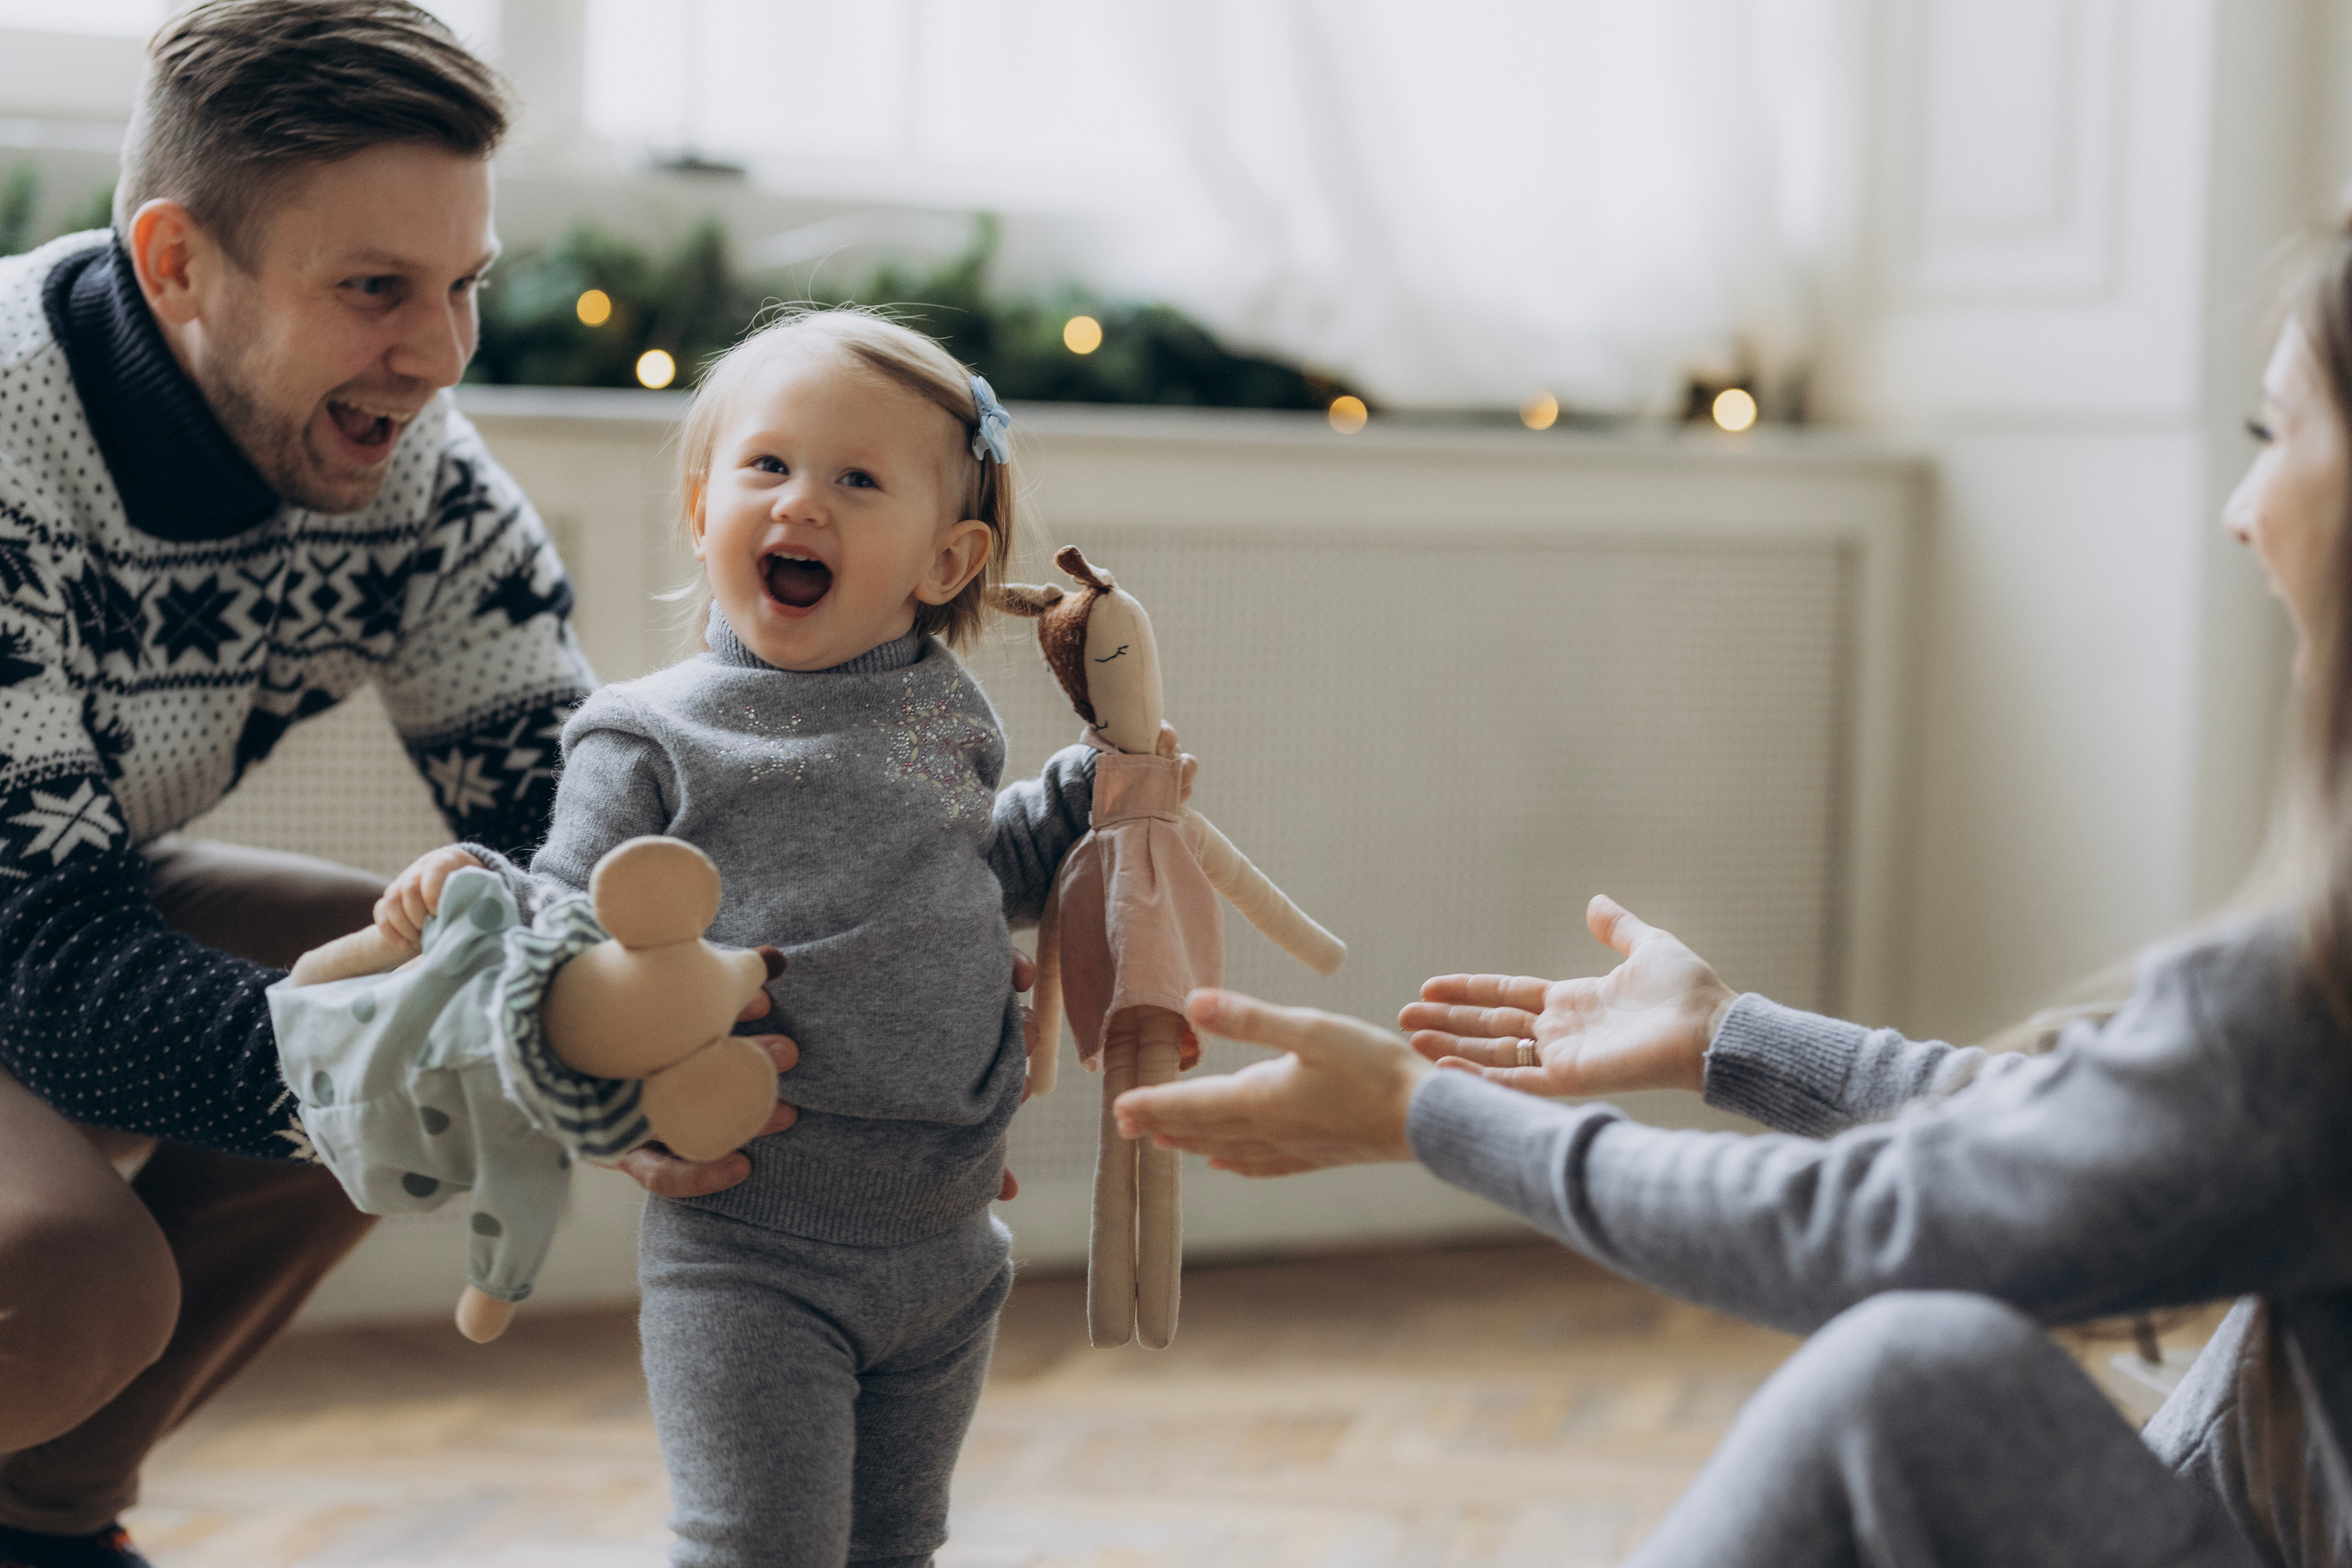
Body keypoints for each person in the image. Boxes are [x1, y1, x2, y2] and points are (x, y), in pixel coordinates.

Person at [1112, 225, 2352, 1566]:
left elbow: (1876, 1233)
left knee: (1914, 1382)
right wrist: (1728, 1039)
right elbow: (2087, 1140)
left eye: (2277, 431)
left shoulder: (2311, 1008)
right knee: (1929, 1384)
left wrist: (1429, 1116)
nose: (2241, 507)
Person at [0, 6, 638, 1565]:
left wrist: (790, 1017)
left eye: (462, 284)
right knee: (66, 1280)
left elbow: (581, 818)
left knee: (428, 987)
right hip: (34, 931)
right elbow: (50, 970)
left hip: (46, 898)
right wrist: (450, 1048)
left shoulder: (408, 469)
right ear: (176, 264)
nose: (440, 351)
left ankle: (40, 1519)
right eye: (373, 290)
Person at [367, 308, 1099, 1568]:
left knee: (896, 1546)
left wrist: (1092, 792)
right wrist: (477, 888)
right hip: (750, 1246)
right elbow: (569, 935)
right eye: (767, 466)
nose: (799, 502)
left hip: (947, 1240)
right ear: (705, 509)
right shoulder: (647, 734)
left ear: (947, 559)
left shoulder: (946, 712)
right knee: (757, 1545)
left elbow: (983, 875)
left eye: (856, 480)